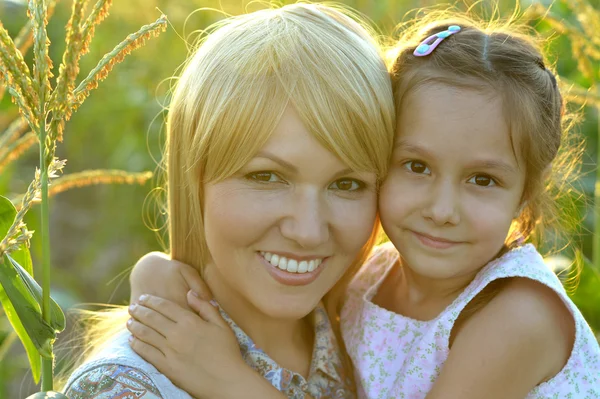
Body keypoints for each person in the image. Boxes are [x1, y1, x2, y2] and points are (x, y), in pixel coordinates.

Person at [126, 11, 600, 399]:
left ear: (525, 194)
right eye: (416, 166)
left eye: (483, 179)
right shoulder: (372, 275)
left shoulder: (517, 316)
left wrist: (226, 380)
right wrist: (154, 277)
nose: (442, 208)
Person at [62, 3, 396, 398]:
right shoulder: (129, 388)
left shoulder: (375, 342)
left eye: (346, 184)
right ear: (194, 178)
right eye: (266, 176)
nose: (307, 232)